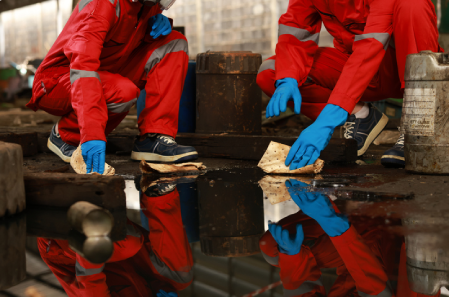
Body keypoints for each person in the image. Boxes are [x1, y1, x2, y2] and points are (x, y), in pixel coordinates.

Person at [257, 0, 442, 169]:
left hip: (404, 69)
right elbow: (296, 28)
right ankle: (362, 115)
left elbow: (371, 46)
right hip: (356, 71)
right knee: (272, 72)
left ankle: (419, 126)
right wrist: (288, 78)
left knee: (413, 3)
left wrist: (327, 120)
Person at [26, 0, 198, 174]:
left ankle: (154, 137)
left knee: (174, 43)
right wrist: (92, 133)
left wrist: (152, 26)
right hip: (58, 79)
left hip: (107, 71)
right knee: (123, 92)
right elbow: (83, 68)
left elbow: (124, 38)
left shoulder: (148, 3)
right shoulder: (102, 4)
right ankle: (66, 135)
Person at [260, 179, 442, 296]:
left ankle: (346, 205)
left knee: (272, 248)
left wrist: (292, 255)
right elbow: (374, 288)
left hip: (354, 246)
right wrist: (335, 226)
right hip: (397, 258)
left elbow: (301, 288)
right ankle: (409, 214)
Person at [38, 185, 192, 297]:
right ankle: (159, 191)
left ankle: (85, 218)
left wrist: (92, 239)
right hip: (115, 246)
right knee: (179, 277)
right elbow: (151, 282)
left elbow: (89, 278)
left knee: (127, 245)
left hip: (66, 249)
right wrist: (162, 288)